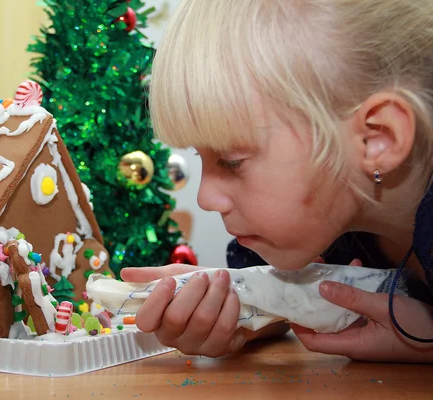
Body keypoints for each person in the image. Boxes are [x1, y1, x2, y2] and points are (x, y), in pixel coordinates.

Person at [121, 0, 433, 362]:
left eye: (232, 161)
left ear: (377, 139)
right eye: (199, 156)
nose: (206, 197)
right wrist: (254, 306)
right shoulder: (324, 226)